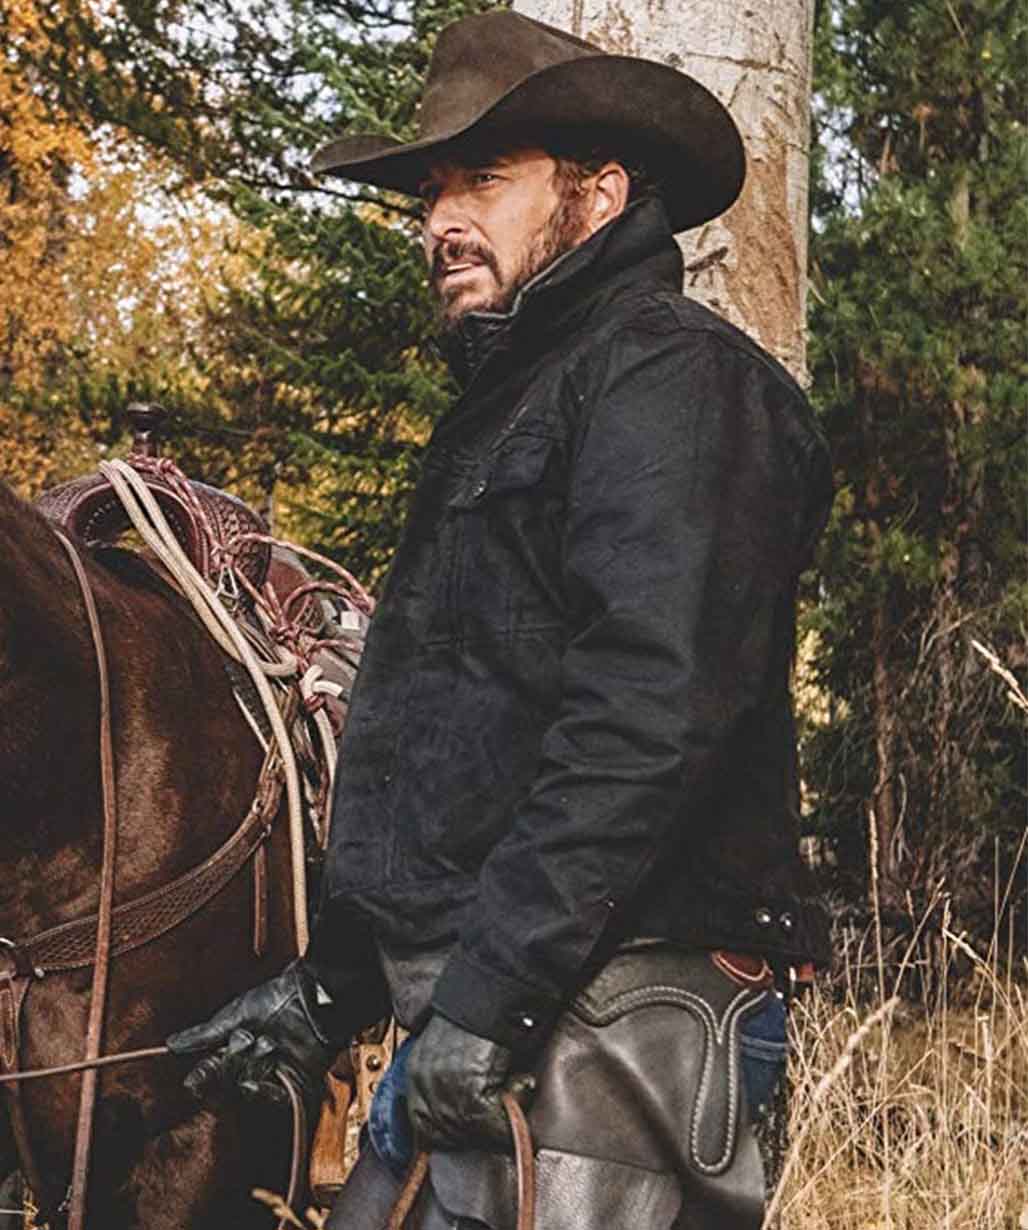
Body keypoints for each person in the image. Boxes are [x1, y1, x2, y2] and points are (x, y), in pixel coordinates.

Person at [167, 11, 833, 1228]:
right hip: (499, 1002)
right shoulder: (515, 402)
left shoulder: (675, 379)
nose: (439, 221)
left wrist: (488, 1000)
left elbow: (646, 720)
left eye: (481, 179)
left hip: (621, 1013)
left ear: (599, 193)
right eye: (429, 194)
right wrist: (332, 990)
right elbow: (462, 741)